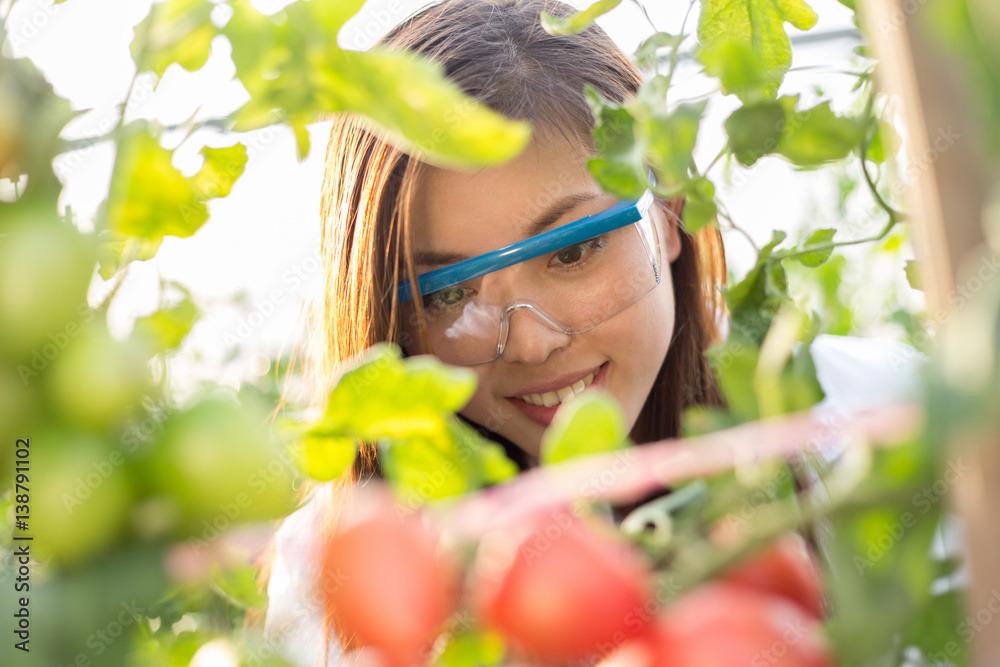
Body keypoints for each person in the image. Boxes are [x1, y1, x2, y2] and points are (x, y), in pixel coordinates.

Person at [261, 1, 927, 665]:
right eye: (449, 293)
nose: (530, 343)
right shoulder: (338, 574)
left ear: (668, 214)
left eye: (574, 252)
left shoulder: (876, 425)